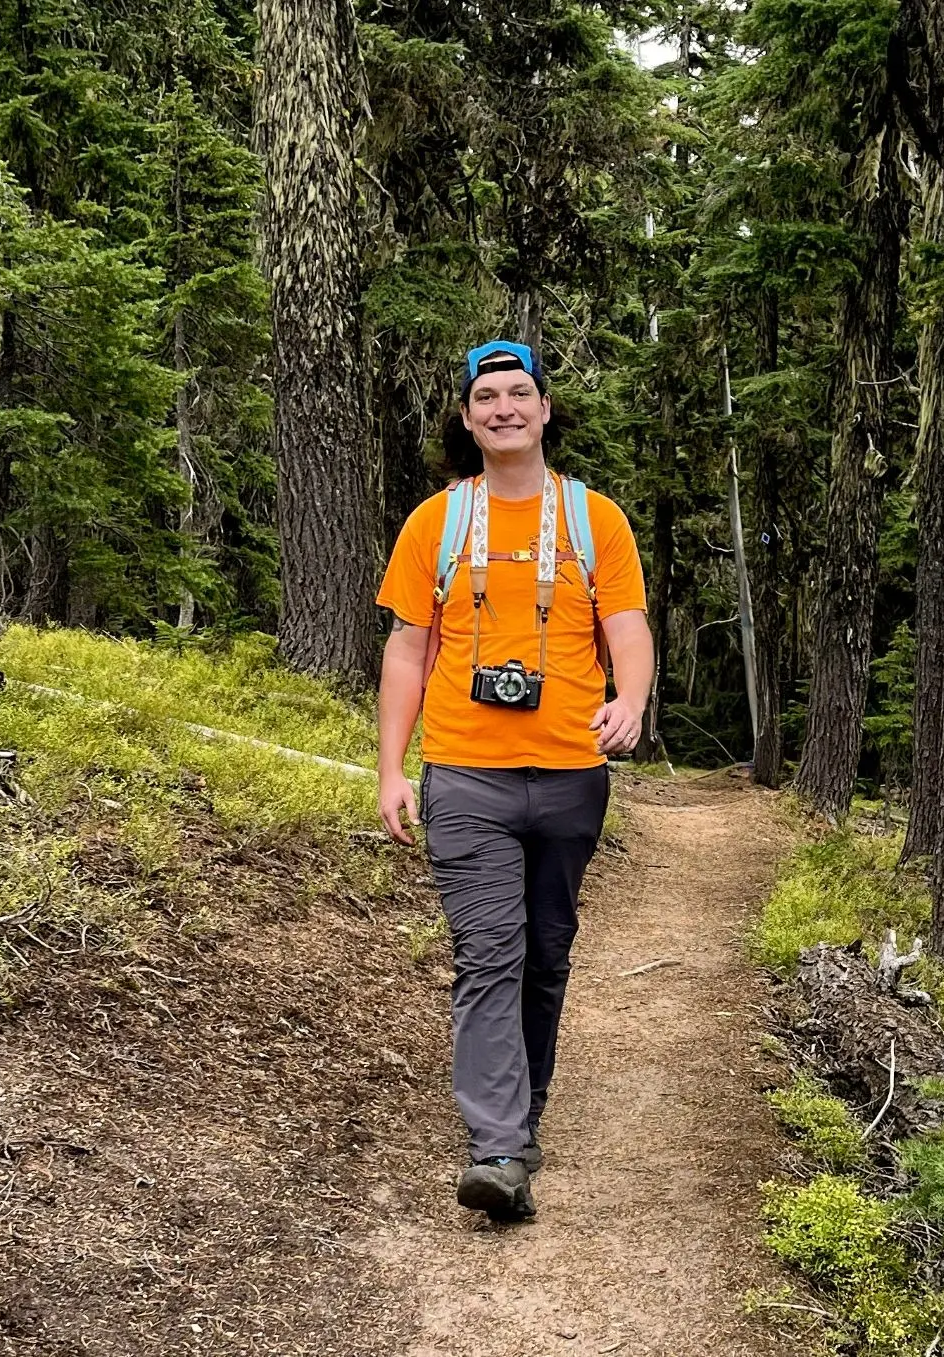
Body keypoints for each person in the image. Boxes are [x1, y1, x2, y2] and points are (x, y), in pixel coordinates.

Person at [375, 339, 653, 1220]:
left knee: (545, 955)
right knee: (489, 954)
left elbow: (630, 625)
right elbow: (408, 647)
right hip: (466, 777)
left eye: (519, 392)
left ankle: (522, 1117)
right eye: (486, 396)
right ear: (466, 418)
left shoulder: (593, 519)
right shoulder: (436, 523)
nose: (503, 407)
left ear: (543, 410)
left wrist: (632, 699)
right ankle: (496, 1147)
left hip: (572, 774)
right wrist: (391, 767)